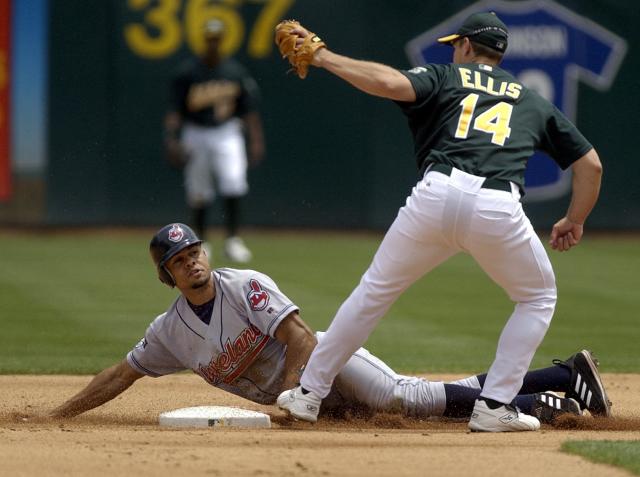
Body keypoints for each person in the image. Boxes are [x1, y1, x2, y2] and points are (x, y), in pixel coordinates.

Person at [275, 12, 604, 432]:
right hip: (497, 206)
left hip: (435, 195)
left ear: (467, 46)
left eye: (455, 45)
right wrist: (574, 219)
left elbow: (389, 82)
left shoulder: (447, 75)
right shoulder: (532, 100)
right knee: (537, 297)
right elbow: (590, 165)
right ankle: (494, 406)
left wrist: (323, 56)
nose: (453, 50)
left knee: (374, 292)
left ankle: (308, 394)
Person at [48, 224, 610, 429]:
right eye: (178, 259)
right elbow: (122, 374)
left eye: (194, 250)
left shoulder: (245, 285)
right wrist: (58, 416)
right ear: (167, 276)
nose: (191, 260)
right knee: (418, 405)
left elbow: (302, 338)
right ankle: (554, 383)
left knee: (400, 396)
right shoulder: (170, 331)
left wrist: (299, 394)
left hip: (320, 368)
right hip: (309, 396)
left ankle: (541, 386)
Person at [164, 19, 265, 263]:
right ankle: (201, 241)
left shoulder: (235, 72)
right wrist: (171, 139)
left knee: (234, 181)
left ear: (221, 39)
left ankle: (233, 240)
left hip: (226, 131)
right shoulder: (187, 73)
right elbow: (175, 111)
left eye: (216, 38)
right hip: (195, 131)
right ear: (204, 39)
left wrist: (255, 140)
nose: (213, 42)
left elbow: (249, 110)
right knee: (198, 190)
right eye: (210, 37)